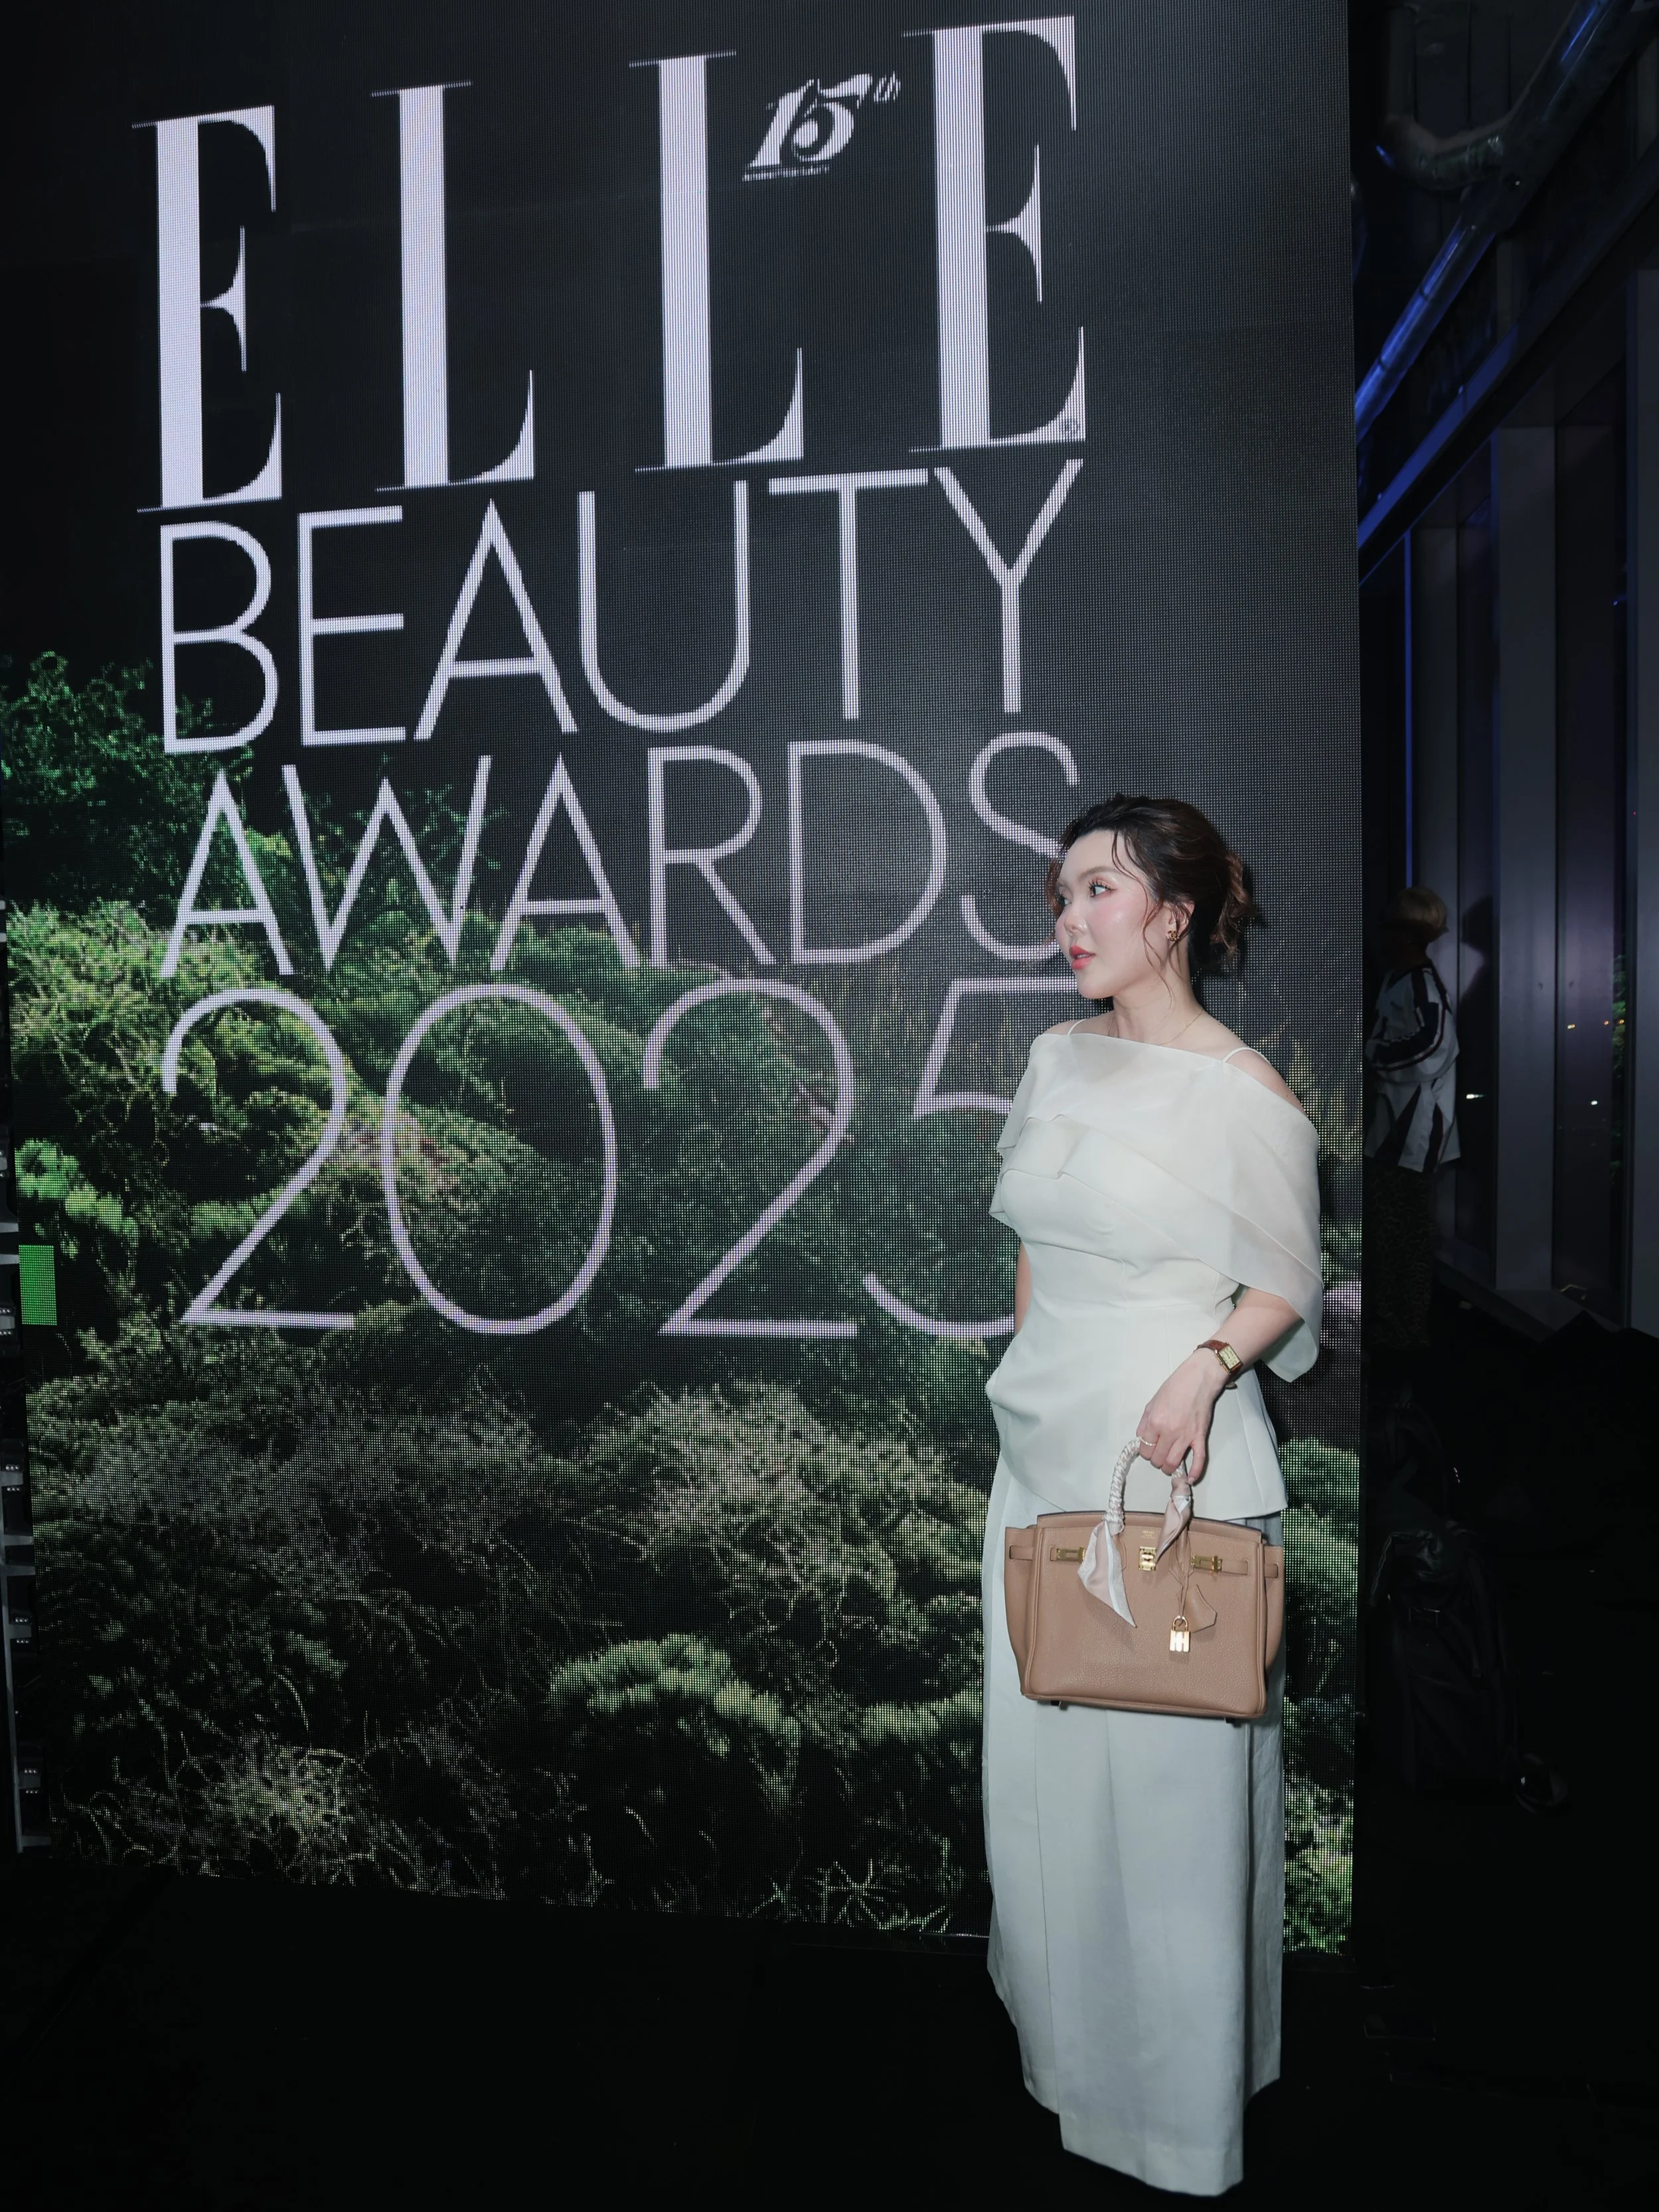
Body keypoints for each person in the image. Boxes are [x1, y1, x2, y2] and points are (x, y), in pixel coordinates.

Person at [981, 794, 1323, 2196]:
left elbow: (1286, 1283)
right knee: (1047, 1800)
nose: (1070, 921)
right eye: (1062, 894)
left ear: (1175, 912)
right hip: (1041, 1466)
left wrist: (1201, 1362)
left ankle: (1181, 2126)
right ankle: (1071, 2070)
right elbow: (1030, 1250)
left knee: (1173, 1817)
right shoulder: (1053, 1057)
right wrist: (1022, 1383)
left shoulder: (1245, 1092)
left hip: (1172, 1485)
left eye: (1101, 891)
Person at [1362, 887, 1458, 1365]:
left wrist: (1373, 1057)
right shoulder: (1400, 980)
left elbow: (1434, 1045)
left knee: (1408, 1232)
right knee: (1391, 1228)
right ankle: (1395, 1322)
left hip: (1413, 1130)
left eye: (1387, 925)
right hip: (1392, 1128)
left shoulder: (1420, 983)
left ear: (1405, 932)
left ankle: (1408, 1329)